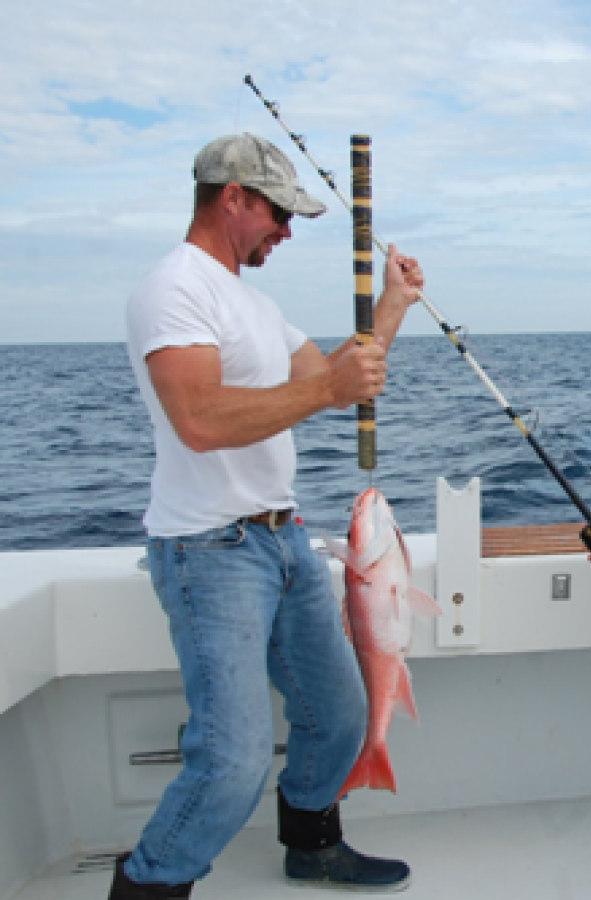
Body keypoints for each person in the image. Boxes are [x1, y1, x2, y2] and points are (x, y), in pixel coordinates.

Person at [115, 133, 425, 898]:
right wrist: (326, 392)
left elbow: (334, 379)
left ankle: (312, 844)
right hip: (207, 551)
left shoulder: (254, 303)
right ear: (233, 197)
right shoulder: (174, 288)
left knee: (340, 713)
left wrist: (391, 308)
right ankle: (150, 886)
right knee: (233, 755)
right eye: (279, 213)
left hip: (282, 540)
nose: (287, 231)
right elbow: (198, 418)